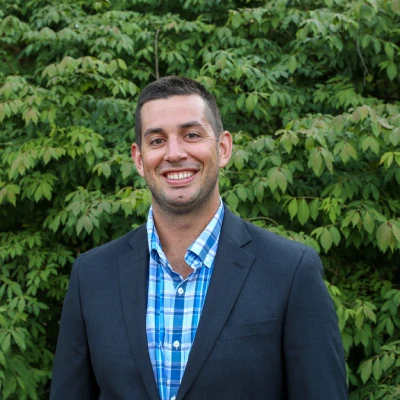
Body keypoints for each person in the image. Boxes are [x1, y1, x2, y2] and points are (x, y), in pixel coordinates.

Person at [50, 76, 348, 400]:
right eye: (157, 140)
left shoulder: (291, 271)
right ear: (138, 159)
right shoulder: (91, 275)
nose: (174, 153)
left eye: (191, 135)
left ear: (222, 148)